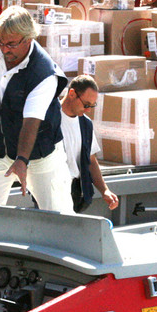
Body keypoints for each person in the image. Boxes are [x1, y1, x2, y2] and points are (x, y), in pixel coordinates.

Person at [0, 6, 72, 213]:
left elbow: (31, 121)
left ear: (28, 39)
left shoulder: (44, 74)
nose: (4, 48)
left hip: (39, 154)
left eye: (11, 44)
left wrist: (21, 160)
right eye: (1, 41)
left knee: (58, 214)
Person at [59, 75, 118, 214]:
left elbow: (91, 160)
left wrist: (105, 191)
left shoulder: (85, 124)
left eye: (92, 106)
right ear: (72, 94)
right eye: (86, 105)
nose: (88, 110)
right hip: (52, 190)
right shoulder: (50, 118)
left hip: (75, 193)